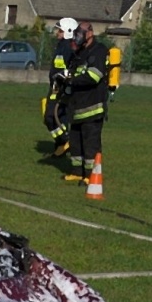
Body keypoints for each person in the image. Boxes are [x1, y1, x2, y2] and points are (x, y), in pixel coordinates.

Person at [61, 21, 111, 186]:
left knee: (90, 144)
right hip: (76, 107)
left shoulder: (99, 51)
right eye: (77, 33)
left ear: (90, 33)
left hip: (92, 107)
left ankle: (90, 175)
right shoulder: (80, 53)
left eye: (81, 32)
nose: (78, 36)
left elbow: (94, 76)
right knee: (75, 143)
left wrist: (72, 80)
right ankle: (76, 172)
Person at [44, 16, 78, 156]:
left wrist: (67, 75)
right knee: (51, 117)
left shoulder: (71, 47)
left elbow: (75, 67)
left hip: (63, 87)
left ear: (68, 31)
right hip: (56, 85)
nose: (57, 32)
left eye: (60, 30)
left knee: (52, 116)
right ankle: (61, 143)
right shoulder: (61, 46)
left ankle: (65, 140)